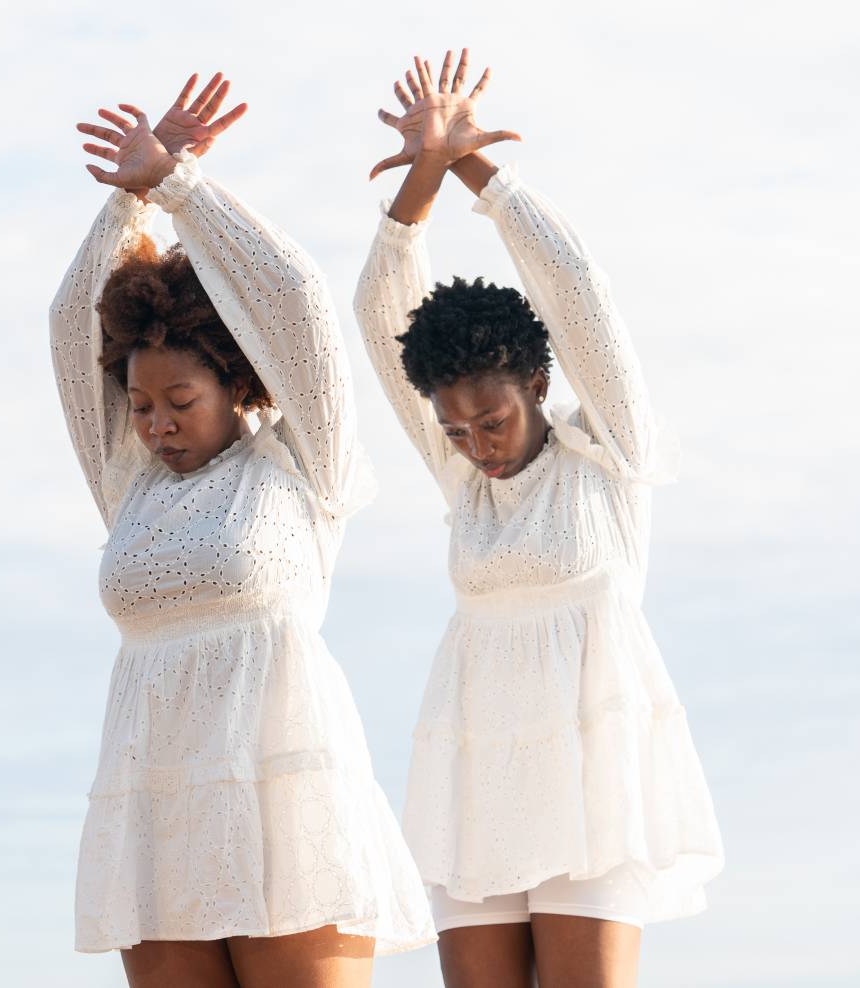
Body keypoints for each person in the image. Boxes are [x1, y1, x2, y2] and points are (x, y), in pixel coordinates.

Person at [49, 72, 434, 988]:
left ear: (239, 384)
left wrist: (183, 188)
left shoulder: (304, 463)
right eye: (141, 405)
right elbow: (72, 324)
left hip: (286, 802)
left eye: (180, 401)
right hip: (156, 811)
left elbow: (296, 298)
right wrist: (128, 199)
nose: (155, 423)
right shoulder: (129, 484)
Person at [353, 50, 725, 988]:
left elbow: (579, 295)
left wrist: (479, 167)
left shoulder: (610, 455)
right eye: (456, 427)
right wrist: (419, 188)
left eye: (492, 419)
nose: (475, 442)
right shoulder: (463, 481)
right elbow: (377, 311)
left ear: (538, 386)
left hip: (595, 779)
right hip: (476, 775)